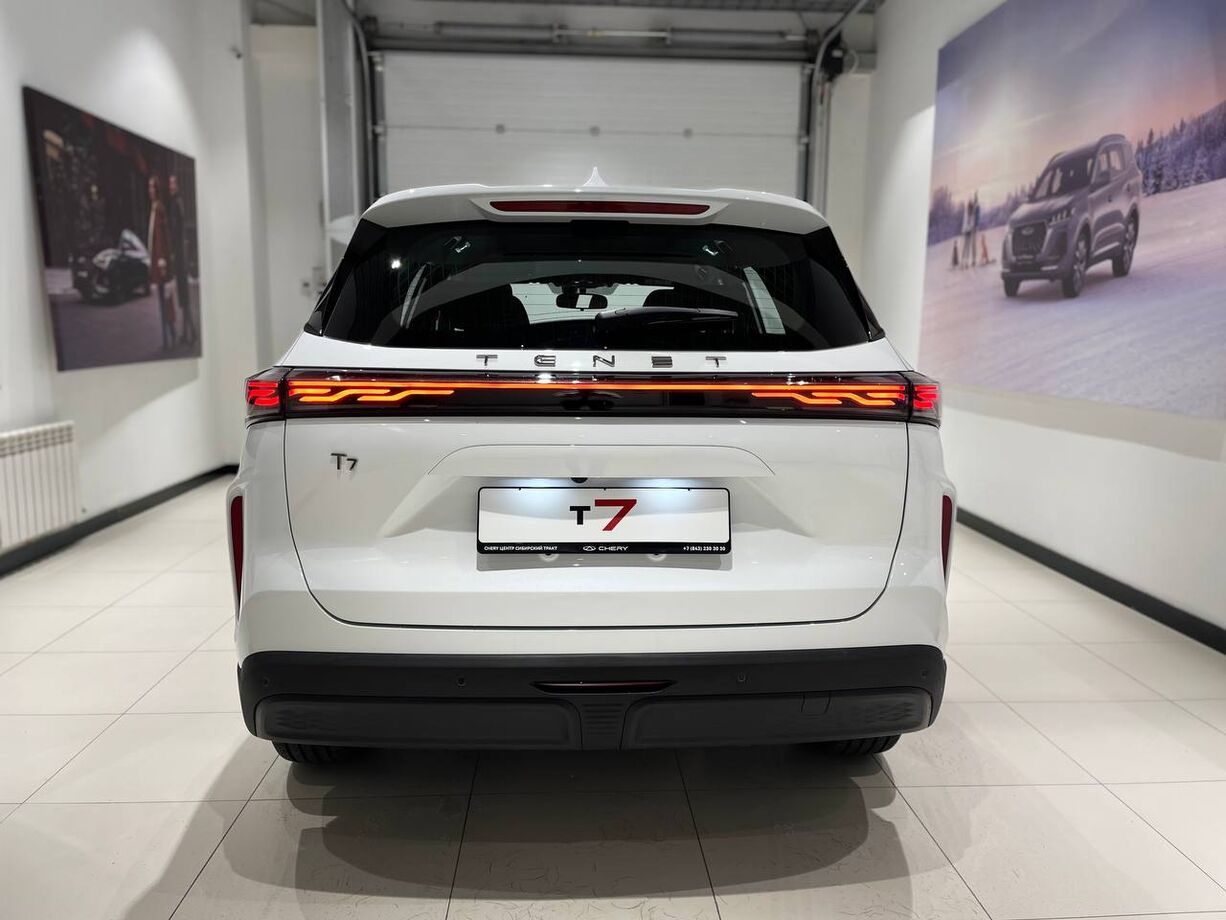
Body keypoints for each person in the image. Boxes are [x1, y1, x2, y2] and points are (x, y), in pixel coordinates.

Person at [167, 174, 197, 346]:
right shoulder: (176, 203)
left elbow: (178, 231)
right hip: (180, 255)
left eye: (173, 183)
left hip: (180, 256)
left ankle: (190, 332)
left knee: (184, 297)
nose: (171, 186)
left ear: (177, 186)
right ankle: (188, 332)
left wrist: (176, 253)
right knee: (183, 298)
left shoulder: (176, 204)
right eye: (170, 183)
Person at [147, 175, 176, 349]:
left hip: (161, 264)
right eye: (149, 187)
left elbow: (161, 238)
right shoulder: (154, 208)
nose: (150, 190)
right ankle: (168, 336)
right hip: (159, 263)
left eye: (152, 187)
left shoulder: (159, 209)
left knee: (165, 300)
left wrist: (162, 260)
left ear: (157, 190)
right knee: (164, 299)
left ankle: (168, 337)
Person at [961, 200, 974, 269]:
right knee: (964, 247)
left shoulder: (972, 215)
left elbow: (972, 224)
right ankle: (962, 262)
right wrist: (963, 230)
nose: (970, 209)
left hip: (970, 232)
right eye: (969, 207)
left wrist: (970, 228)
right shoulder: (966, 214)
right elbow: (964, 223)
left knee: (968, 247)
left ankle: (966, 263)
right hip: (966, 232)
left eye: (971, 207)